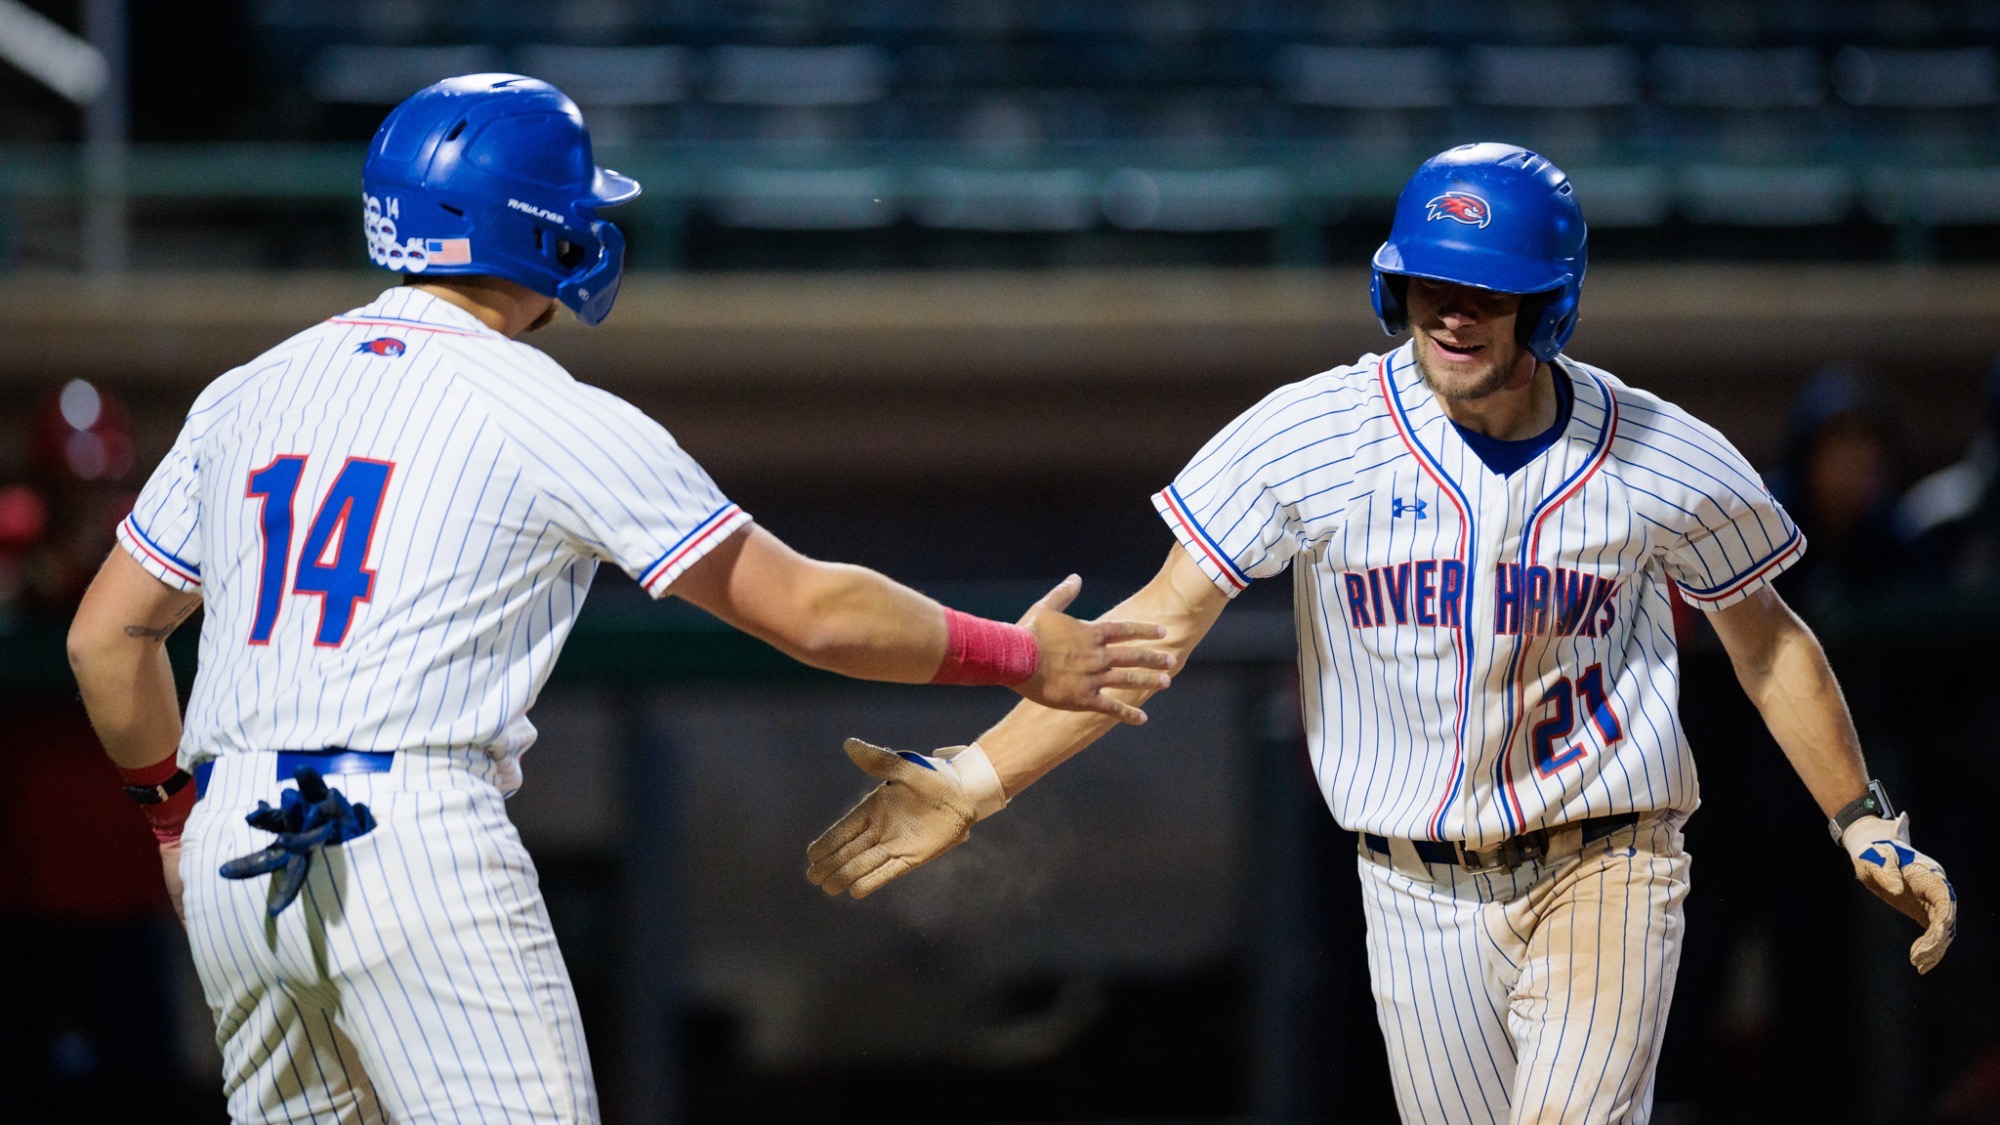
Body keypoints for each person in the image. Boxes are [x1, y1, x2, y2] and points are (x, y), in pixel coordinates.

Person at [64, 74, 1173, 1124]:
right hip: (408, 835)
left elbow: (107, 640)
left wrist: (170, 814)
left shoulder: (246, 392)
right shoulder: (542, 408)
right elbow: (810, 612)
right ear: (539, 230)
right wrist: (1023, 659)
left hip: (232, 841)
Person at [806, 143, 1958, 1124]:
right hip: (1407, 885)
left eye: (1484, 290)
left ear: (1549, 302)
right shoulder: (1309, 434)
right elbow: (1153, 625)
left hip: (1607, 855)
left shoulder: (1657, 452)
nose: (1450, 313)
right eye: (1427, 284)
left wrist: (1858, 818)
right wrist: (976, 773)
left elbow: (1767, 641)